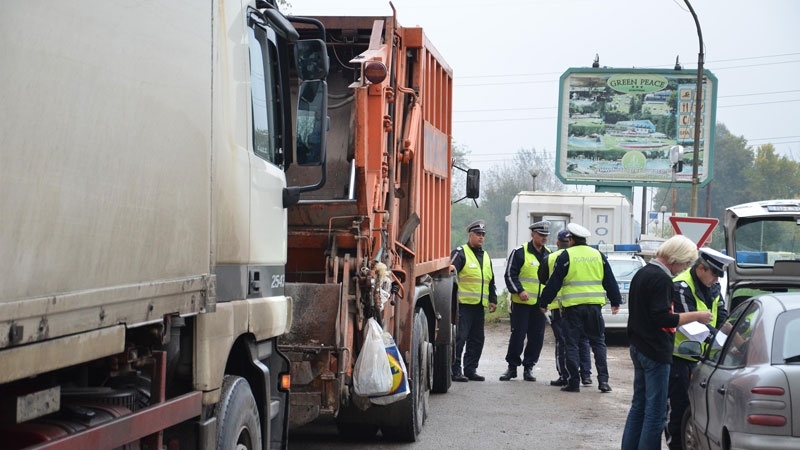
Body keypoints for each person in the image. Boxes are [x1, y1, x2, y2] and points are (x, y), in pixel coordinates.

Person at [620, 235, 714, 450]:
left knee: (639, 406)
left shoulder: (642, 273)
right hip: (655, 351)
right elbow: (662, 318)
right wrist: (695, 316)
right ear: (676, 258)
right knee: (656, 412)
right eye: (686, 263)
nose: (684, 268)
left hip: (639, 347)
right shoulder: (662, 279)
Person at [537, 223, 621, 393]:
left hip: (573, 308)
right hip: (594, 307)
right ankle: (603, 382)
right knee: (598, 343)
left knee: (572, 344)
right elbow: (609, 280)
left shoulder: (567, 256)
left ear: (571, 239)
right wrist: (615, 300)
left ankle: (574, 382)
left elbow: (554, 282)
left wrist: (543, 302)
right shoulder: (598, 255)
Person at [664, 247, 734, 450]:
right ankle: (675, 446)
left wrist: (739, 343)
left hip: (705, 358)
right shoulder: (681, 286)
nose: (716, 280)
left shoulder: (712, 286)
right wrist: (721, 342)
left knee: (699, 410)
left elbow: (723, 319)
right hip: (680, 357)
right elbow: (691, 327)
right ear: (701, 269)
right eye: (714, 274)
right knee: (678, 409)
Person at [538, 229, 594, 387]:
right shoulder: (583, 256)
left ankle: (566, 375)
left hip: (558, 306)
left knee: (564, 343)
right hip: (580, 304)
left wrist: (543, 302)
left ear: (557, 243)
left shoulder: (551, 258)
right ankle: (586, 375)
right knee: (583, 341)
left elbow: (543, 280)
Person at [499, 221, 551, 381]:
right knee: (518, 335)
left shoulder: (548, 254)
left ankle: (529, 367)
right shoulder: (520, 252)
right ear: (533, 234)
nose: (544, 238)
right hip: (521, 304)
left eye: (546, 236)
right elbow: (509, 274)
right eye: (541, 235)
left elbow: (551, 280)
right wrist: (519, 290)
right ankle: (512, 367)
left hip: (539, 305)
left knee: (537, 337)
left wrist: (547, 300)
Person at [450, 220, 498, 382]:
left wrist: (493, 299)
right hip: (463, 305)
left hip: (479, 306)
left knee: (477, 340)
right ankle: (455, 370)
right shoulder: (460, 252)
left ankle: (471, 369)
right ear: (470, 235)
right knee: (460, 338)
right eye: (478, 234)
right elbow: (449, 275)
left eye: (483, 235)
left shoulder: (485, 256)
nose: (481, 238)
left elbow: (490, 280)